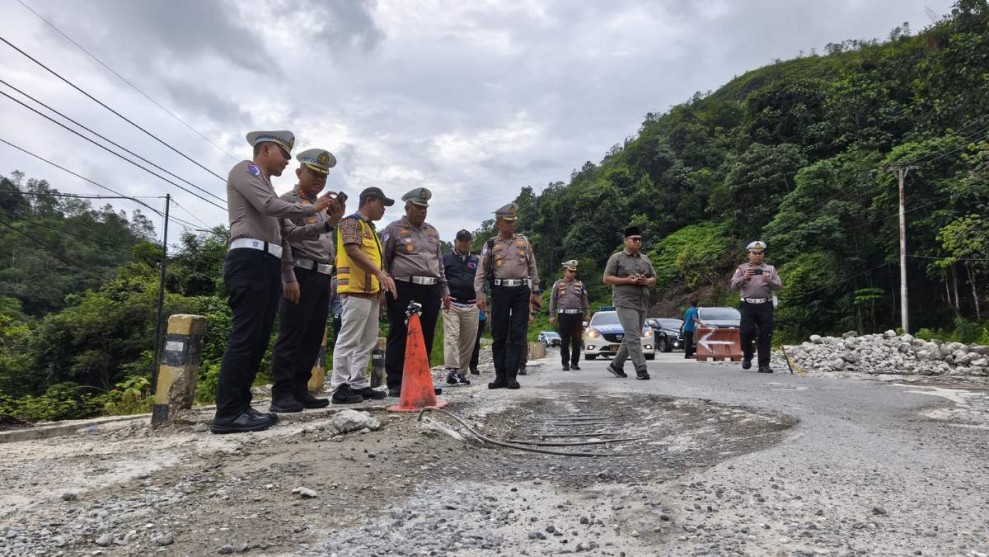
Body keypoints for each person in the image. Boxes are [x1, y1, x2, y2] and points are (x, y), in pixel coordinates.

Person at [211, 131, 339, 434]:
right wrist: (312, 208)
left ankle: (240, 407)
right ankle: (229, 411)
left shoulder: (266, 185)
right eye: (283, 154)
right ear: (265, 149)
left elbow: (288, 235)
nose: (285, 161)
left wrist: (327, 222)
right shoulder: (247, 170)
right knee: (246, 337)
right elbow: (270, 206)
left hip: (268, 260)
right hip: (249, 259)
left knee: (257, 338)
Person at [268, 149, 345, 413]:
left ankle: (300, 389)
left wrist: (333, 220)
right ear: (299, 172)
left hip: (322, 276)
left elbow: (324, 238)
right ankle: (281, 393)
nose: (319, 180)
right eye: (313, 173)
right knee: (292, 334)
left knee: (312, 336)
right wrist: (288, 276)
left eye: (323, 176)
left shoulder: (322, 205)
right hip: (299, 273)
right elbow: (285, 238)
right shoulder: (287, 201)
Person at [330, 187, 397, 403]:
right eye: (382, 204)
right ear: (369, 201)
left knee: (367, 340)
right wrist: (379, 273)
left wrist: (382, 281)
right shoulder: (351, 222)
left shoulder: (371, 230)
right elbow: (352, 250)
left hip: (371, 292)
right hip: (355, 289)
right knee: (349, 338)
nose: (384, 210)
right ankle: (340, 385)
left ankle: (358, 382)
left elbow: (376, 261)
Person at [381, 188, 448, 397]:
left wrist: (444, 289)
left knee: (426, 334)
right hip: (403, 286)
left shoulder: (432, 231)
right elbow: (384, 261)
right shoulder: (393, 229)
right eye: (418, 208)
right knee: (400, 333)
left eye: (425, 208)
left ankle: (421, 378)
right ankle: (395, 381)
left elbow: (440, 263)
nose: (422, 212)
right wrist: (384, 288)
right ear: (407, 207)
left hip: (431, 287)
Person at [474, 203, 540, 390]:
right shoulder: (491, 244)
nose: (512, 225)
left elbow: (532, 267)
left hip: (521, 291)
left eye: (513, 221)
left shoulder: (524, 242)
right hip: (500, 291)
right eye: (508, 222)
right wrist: (480, 293)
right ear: (498, 223)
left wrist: (535, 290)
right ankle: (500, 376)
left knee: (518, 333)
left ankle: (512, 376)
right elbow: (481, 271)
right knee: (499, 334)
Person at [602, 226, 657, 380]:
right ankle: (641, 369)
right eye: (634, 239)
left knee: (632, 336)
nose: (637, 242)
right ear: (625, 241)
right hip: (625, 301)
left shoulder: (645, 259)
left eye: (639, 239)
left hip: (642, 301)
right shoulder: (617, 258)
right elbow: (606, 278)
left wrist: (646, 281)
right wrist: (627, 280)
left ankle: (616, 365)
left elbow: (654, 279)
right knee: (633, 336)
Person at [729, 241, 782, 373]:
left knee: (765, 334)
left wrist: (769, 281)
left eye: (760, 253)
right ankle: (747, 355)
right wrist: (744, 278)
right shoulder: (742, 269)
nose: (757, 256)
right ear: (749, 254)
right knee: (746, 333)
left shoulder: (770, 269)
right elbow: (733, 286)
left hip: (765, 305)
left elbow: (779, 287)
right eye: (754, 253)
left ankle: (764, 364)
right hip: (748, 305)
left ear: (763, 254)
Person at [442, 229, 480, 386]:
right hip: (452, 303)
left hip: (472, 304)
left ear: (471, 242)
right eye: (461, 240)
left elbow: (482, 279)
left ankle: (461, 372)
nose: (464, 243)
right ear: (455, 242)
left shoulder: (477, 260)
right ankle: (452, 368)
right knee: (452, 335)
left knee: (468, 341)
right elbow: (440, 277)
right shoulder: (446, 258)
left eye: (467, 240)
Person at [549, 260, 590, 371]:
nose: (573, 273)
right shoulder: (557, 284)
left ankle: (574, 363)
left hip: (577, 315)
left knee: (577, 340)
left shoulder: (580, 284)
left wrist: (587, 313)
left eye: (574, 272)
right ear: (564, 271)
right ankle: (565, 363)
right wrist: (552, 315)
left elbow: (584, 299)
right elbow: (552, 300)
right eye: (570, 271)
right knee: (565, 340)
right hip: (563, 315)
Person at [468, 308, 486, 375]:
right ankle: (459, 366)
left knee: (475, 341)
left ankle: (473, 366)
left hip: (479, 317)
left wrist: (485, 311)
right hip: (465, 314)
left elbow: (483, 298)